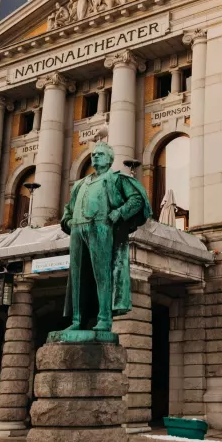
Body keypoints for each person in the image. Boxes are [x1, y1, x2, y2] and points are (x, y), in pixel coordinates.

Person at [60, 142, 151, 332]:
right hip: (77, 229)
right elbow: (69, 208)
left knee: (102, 274)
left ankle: (104, 318)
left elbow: (137, 199)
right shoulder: (80, 184)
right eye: (93, 154)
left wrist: (120, 212)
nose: (95, 156)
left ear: (110, 159)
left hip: (102, 227)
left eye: (100, 154)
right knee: (77, 276)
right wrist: (67, 221)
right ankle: (77, 320)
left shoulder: (116, 179)